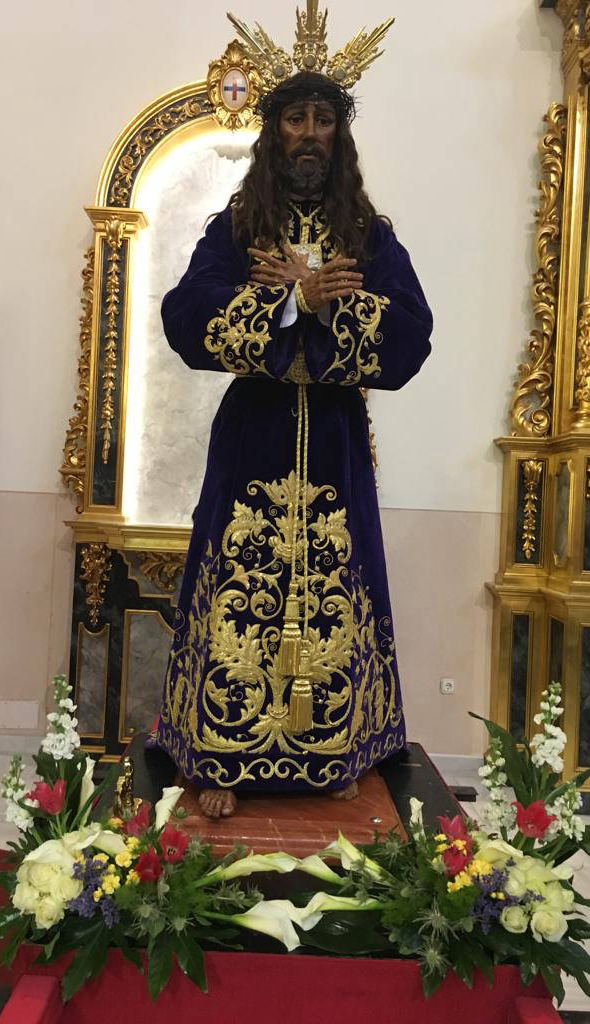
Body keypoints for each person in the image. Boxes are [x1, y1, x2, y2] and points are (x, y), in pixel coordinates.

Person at [154, 68, 433, 819]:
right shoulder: (238, 229)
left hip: (336, 445)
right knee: (236, 596)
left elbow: (412, 336)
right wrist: (285, 303)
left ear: (340, 137)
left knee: (337, 596)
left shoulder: (368, 237)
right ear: (273, 132)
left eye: (323, 120)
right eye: (295, 120)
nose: (309, 134)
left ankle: (331, 753)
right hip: (254, 440)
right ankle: (221, 756)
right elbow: (185, 315)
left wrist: (338, 308)